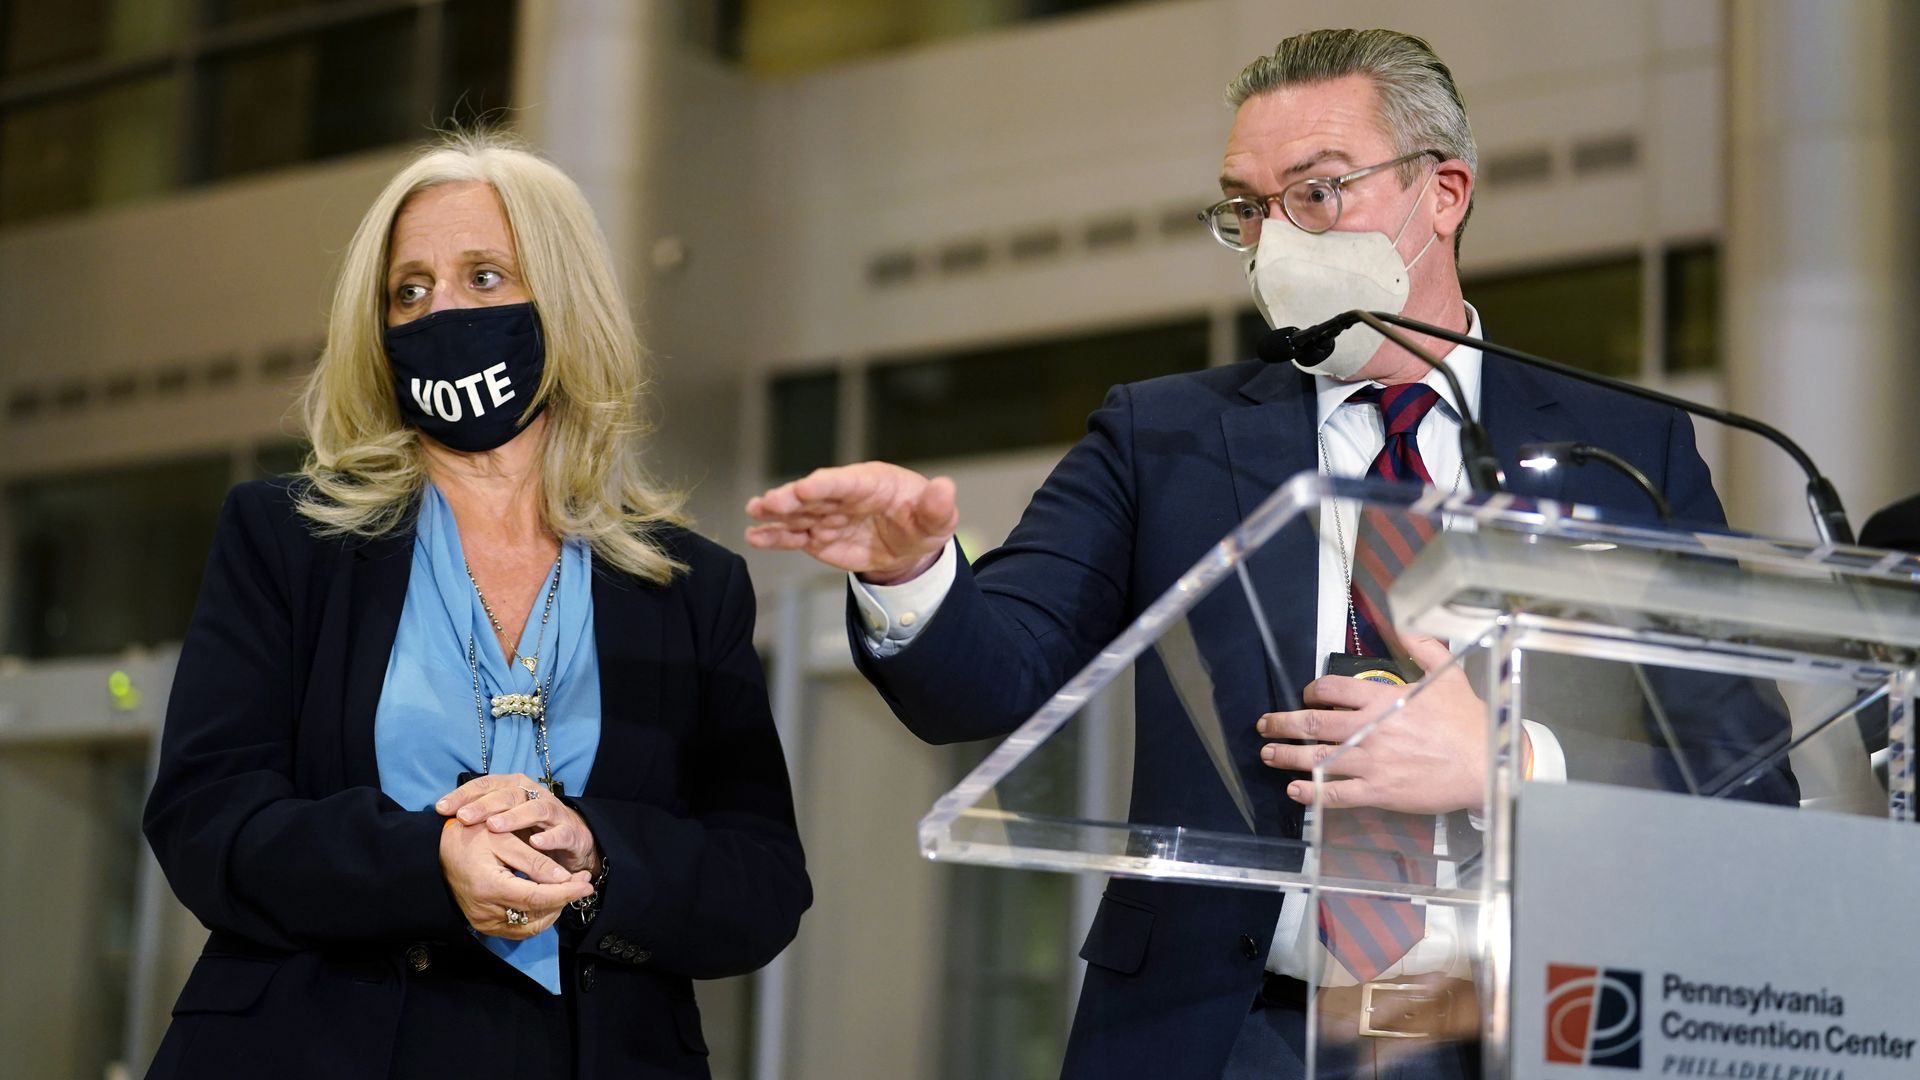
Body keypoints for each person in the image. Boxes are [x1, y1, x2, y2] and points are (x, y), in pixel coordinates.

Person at [746, 28, 1793, 1080]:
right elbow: (987, 678)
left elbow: (1739, 769)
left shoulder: (1625, 448)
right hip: (1224, 1031)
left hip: (1527, 1029)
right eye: (1247, 208)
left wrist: (1511, 764)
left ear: (1445, 192)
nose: (1273, 238)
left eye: (1317, 192)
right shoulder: (1163, 438)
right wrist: (906, 575)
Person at [143, 132, 810, 1080]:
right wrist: (430, 864)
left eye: (484, 276)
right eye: (408, 291)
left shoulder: (688, 586)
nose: (440, 311)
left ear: (564, 302)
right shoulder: (288, 539)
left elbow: (762, 884)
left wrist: (597, 847)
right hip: (314, 1044)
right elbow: (208, 820)